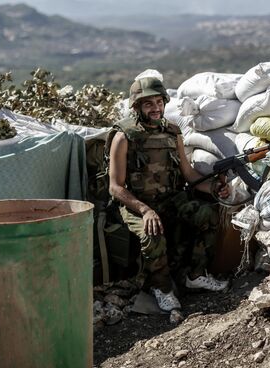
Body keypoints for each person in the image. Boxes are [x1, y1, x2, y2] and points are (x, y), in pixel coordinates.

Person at [107, 76, 230, 312]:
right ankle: (162, 288)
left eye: (159, 102)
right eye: (148, 104)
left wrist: (214, 187)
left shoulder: (173, 133)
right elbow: (115, 186)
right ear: (137, 107)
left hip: (171, 198)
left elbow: (188, 174)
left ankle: (195, 275)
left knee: (207, 213)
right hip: (136, 204)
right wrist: (145, 210)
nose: (156, 108)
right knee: (151, 232)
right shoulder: (124, 137)